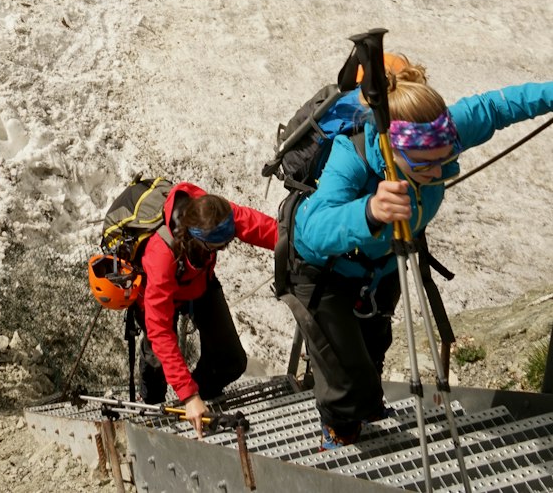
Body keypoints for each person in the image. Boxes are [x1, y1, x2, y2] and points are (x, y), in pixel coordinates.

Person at [287, 62, 553, 450]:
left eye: (448, 158)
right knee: (346, 376)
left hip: (380, 266)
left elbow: (500, 107)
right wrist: (368, 211)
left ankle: (369, 407)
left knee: (376, 342)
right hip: (323, 271)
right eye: (427, 165)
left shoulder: (439, 131)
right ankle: (340, 426)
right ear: (393, 151)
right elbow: (309, 232)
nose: (440, 171)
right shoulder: (351, 153)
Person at [135, 184, 277, 437]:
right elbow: (159, 329)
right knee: (157, 357)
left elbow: (259, 227)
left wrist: (303, 244)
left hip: (199, 283)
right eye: (218, 247)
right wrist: (189, 395)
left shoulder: (214, 212)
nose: (225, 248)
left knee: (232, 361)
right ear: (195, 239)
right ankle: (153, 408)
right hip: (159, 291)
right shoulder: (162, 254)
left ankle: (196, 399)